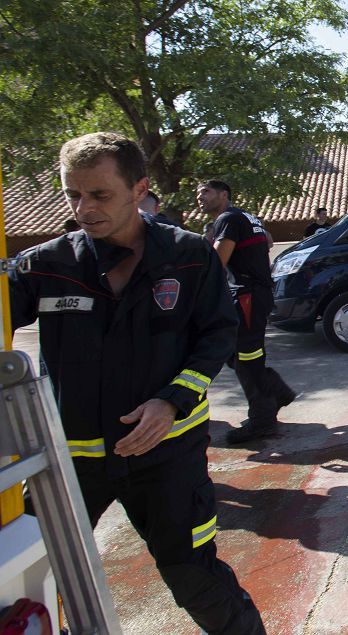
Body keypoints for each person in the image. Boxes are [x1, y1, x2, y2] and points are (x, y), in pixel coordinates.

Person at [9, 132, 265, 634]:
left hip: (167, 455)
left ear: (139, 188)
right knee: (26, 577)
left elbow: (217, 335)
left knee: (192, 575)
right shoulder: (46, 266)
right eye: (72, 195)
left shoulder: (190, 256)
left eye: (99, 195)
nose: (84, 208)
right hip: (70, 463)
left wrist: (170, 402)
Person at [196, 180, 295, 444]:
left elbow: (216, 264)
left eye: (205, 192)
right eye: (198, 193)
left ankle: (262, 420)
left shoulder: (227, 218)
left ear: (223, 194)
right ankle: (276, 390)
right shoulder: (248, 217)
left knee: (247, 358)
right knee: (235, 353)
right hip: (253, 294)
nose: (199, 197)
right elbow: (269, 243)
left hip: (248, 295)